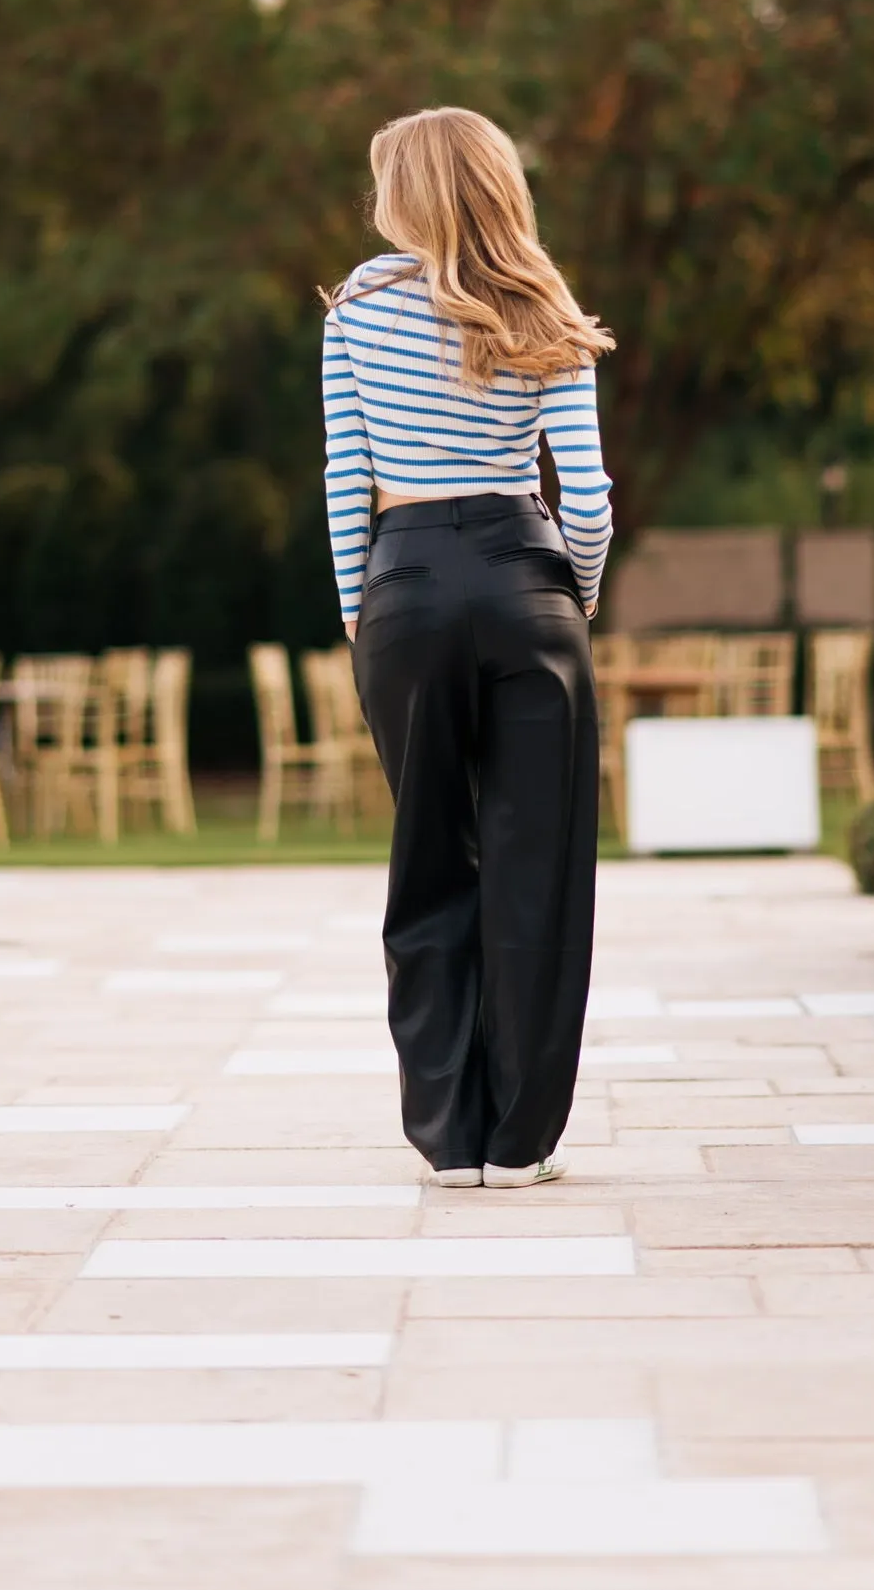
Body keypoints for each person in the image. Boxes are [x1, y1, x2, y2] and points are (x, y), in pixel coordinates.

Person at [321, 107, 613, 1190]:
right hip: (527, 578)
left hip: (403, 588)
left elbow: (346, 480)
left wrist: (363, 610)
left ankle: (447, 1134)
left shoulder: (356, 304)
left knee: (429, 854)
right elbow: (584, 497)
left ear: (412, 191)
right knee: (538, 867)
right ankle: (520, 1137)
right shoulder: (542, 299)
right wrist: (571, 601)